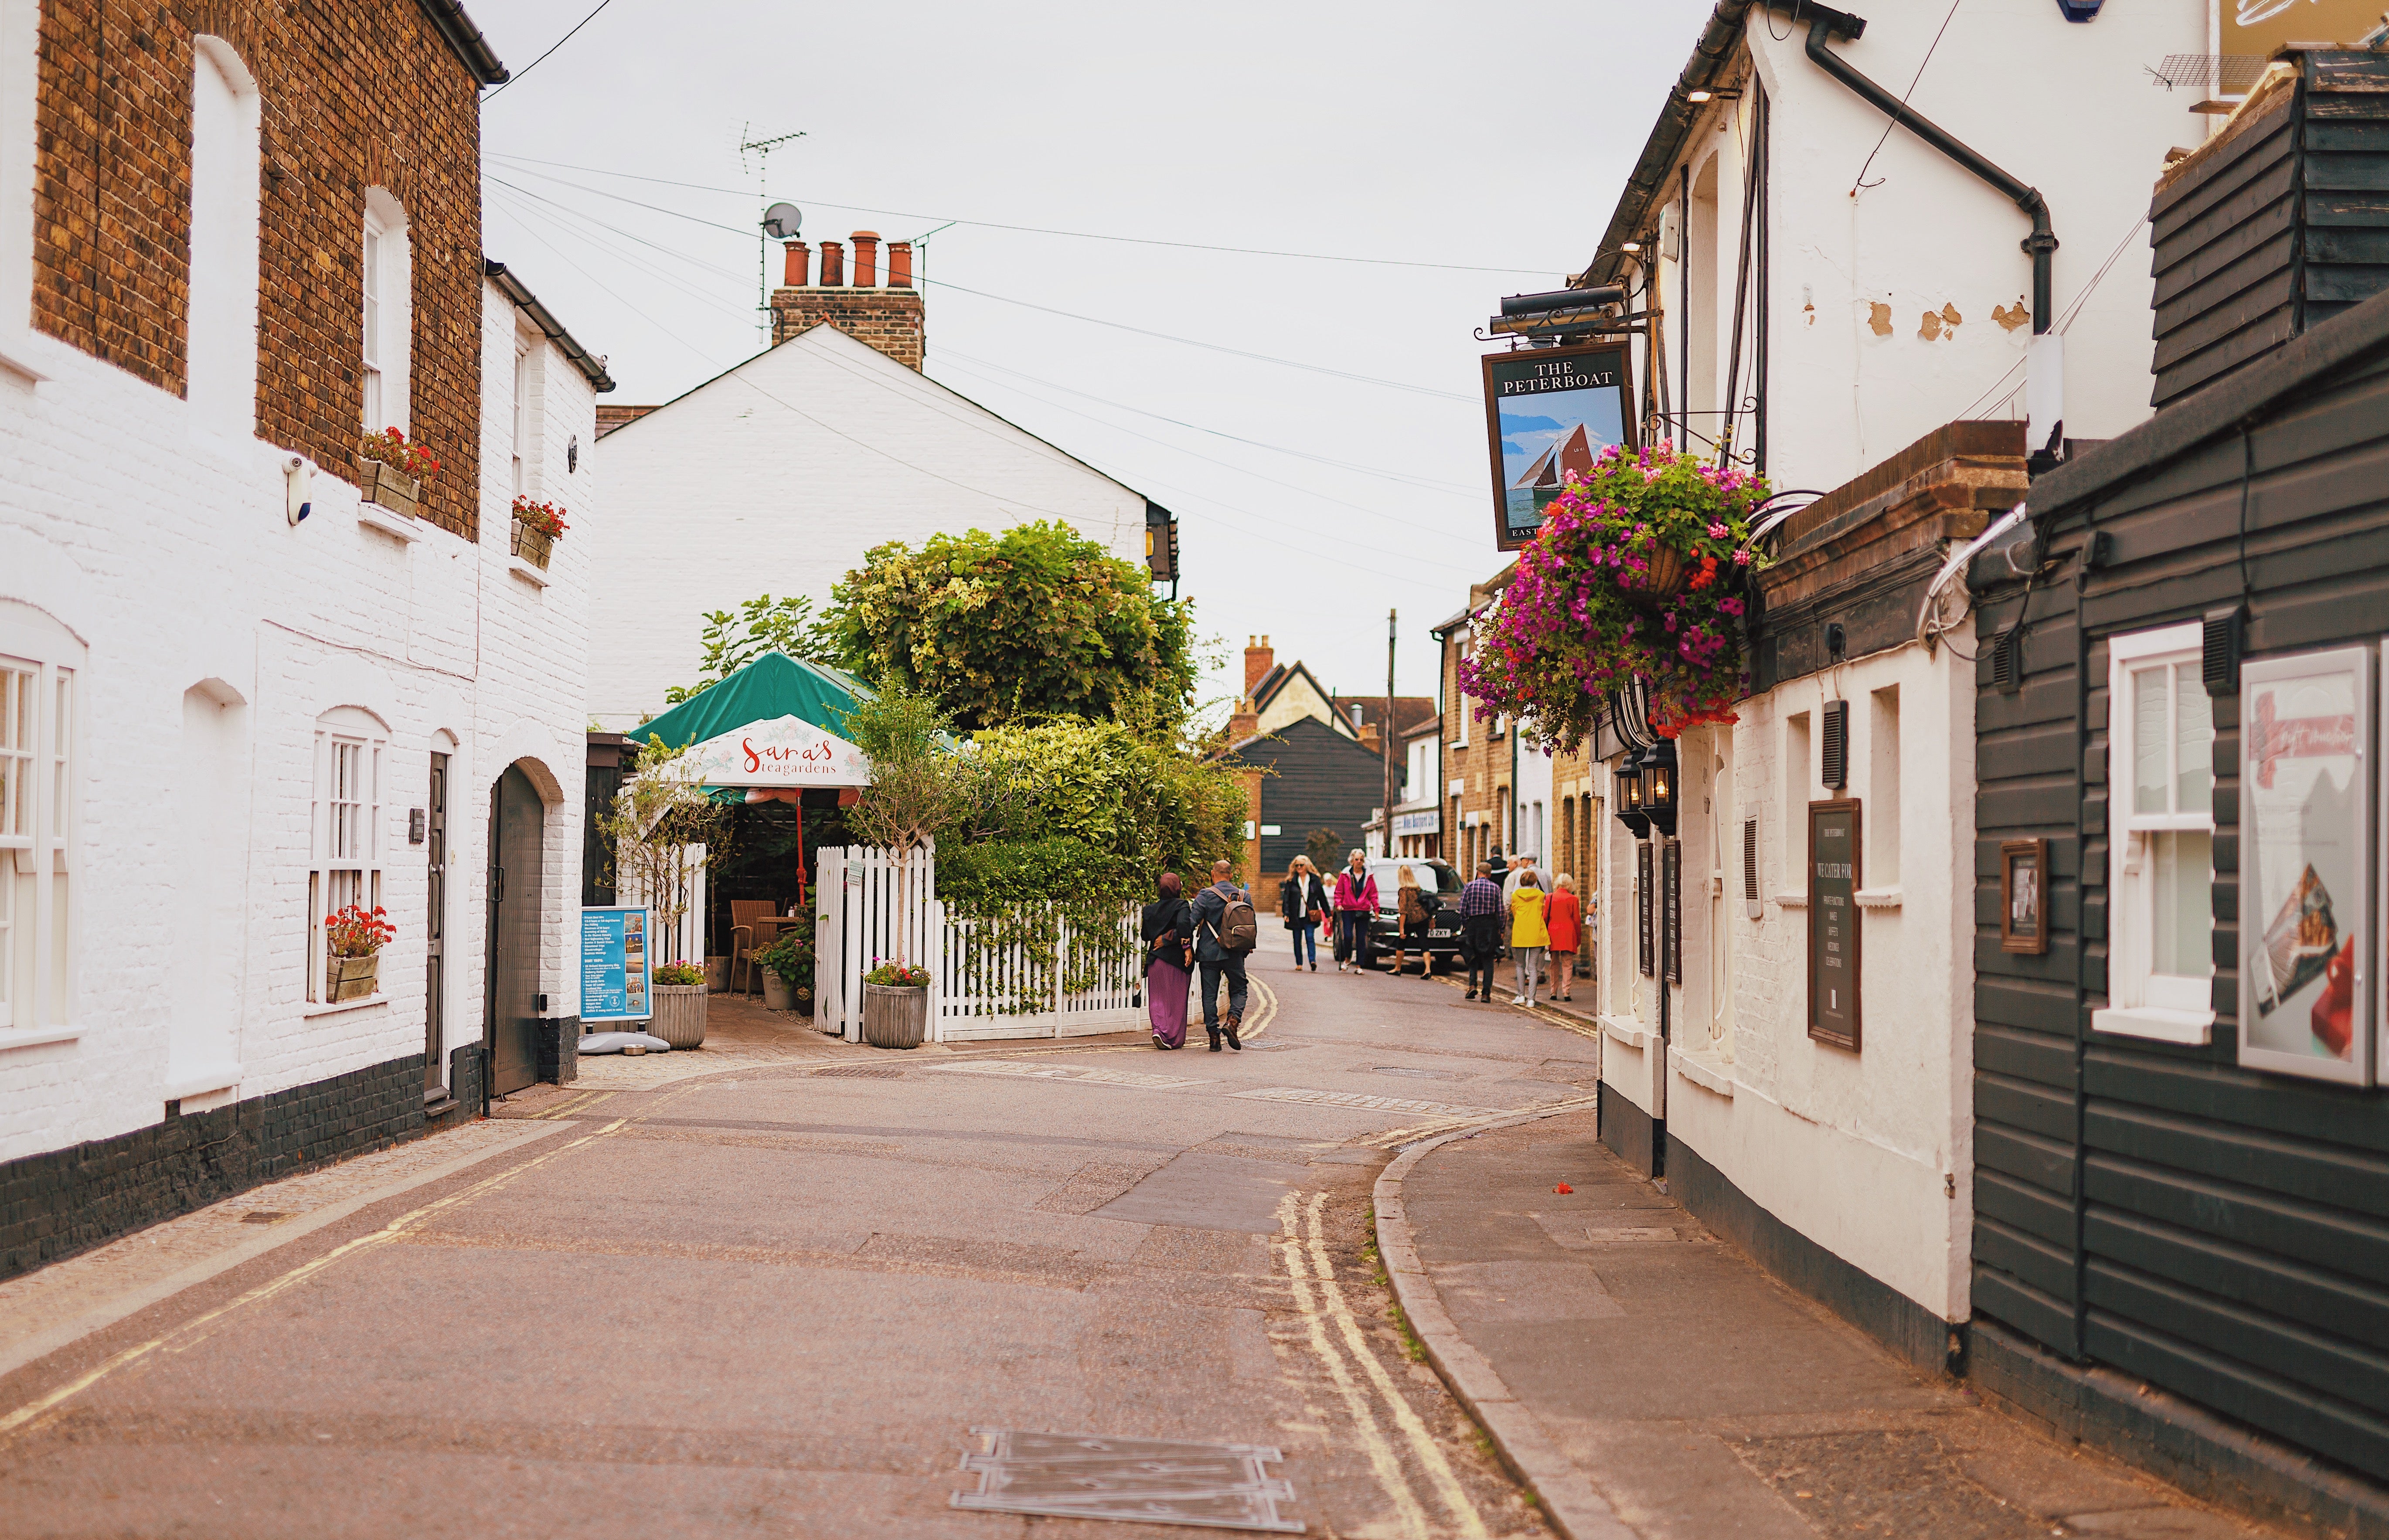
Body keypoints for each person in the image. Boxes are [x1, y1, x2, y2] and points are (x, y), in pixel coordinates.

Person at [1190, 860, 1249, 1050]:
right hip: (1234, 952)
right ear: (1231, 875)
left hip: (1209, 952)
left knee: (1209, 995)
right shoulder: (1243, 896)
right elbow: (1249, 928)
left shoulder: (1205, 895)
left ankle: (1214, 1038)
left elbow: (1192, 922)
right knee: (1240, 989)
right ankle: (1232, 1022)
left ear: (1212, 874)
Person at [1142, 872, 1194, 1049]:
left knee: (1158, 999)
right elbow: (1184, 926)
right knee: (1176, 1001)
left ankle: (1158, 1030)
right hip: (1176, 961)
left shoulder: (1149, 910)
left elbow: (1145, 936)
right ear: (1177, 888)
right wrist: (1187, 949)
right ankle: (1172, 1038)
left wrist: (1161, 936)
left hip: (1155, 962)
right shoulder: (1182, 906)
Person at [1458, 861, 1503, 1002]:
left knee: (1473, 956)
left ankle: (1472, 985)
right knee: (1488, 958)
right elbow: (1501, 911)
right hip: (1490, 924)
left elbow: (1462, 909)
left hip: (1473, 923)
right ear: (1489, 875)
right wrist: (1501, 929)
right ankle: (1486, 993)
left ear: (1478, 873)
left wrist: (1466, 924)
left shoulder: (1469, 887)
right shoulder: (1496, 888)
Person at [1332, 848, 1378, 974]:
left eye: (1361, 860)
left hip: (1363, 909)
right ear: (1352, 860)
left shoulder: (1368, 875)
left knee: (1361, 938)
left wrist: (1377, 909)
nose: (1359, 862)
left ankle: (1359, 965)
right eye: (1356, 859)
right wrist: (1339, 904)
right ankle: (1347, 959)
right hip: (1348, 909)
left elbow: (1373, 894)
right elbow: (1339, 892)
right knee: (1348, 936)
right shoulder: (1345, 874)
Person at [1279, 856, 1328, 972]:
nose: (1299, 867)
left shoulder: (1315, 880)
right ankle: (1299, 963)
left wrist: (1328, 914)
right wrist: (1286, 913)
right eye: (1297, 866)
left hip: (1309, 915)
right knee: (1297, 940)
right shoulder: (1291, 881)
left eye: (1302, 865)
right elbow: (1286, 899)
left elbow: (1322, 898)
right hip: (1295, 914)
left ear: (1307, 866)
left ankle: (1312, 961)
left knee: (1310, 937)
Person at [1508, 868, 1548, 1006]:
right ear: (1534, 881)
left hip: (1520, 933)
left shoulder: (1515, 895)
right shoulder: (1541, 895)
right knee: (1533, 968)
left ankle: (1521, 996)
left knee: (1520, 965)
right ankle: (1531, 999)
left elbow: (1514, 912)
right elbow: (1542, 912)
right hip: (1536, 933)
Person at [1545, 873, 1582, 1003]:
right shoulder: (1573, 899)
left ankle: (1553, 991)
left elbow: (1545, 917)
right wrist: (1578, 938)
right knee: (1568, 963)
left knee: (1554, 963)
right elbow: (1577, 921)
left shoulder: (1549, 897)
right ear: (1569, 885)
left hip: (1553, 932)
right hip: (1568, 932)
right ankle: (1566, 992)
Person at [1393, 865, 1429, 976]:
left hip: (1411, 921)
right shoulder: (1418, 889)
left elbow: (1403, 911)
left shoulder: (1404, 891)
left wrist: (1401, 930)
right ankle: (1428, 970)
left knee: (1401, 943)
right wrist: (1431, 920)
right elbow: (1426, 906)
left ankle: (1397, 968)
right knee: (1424, 944)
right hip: (1423, 919)